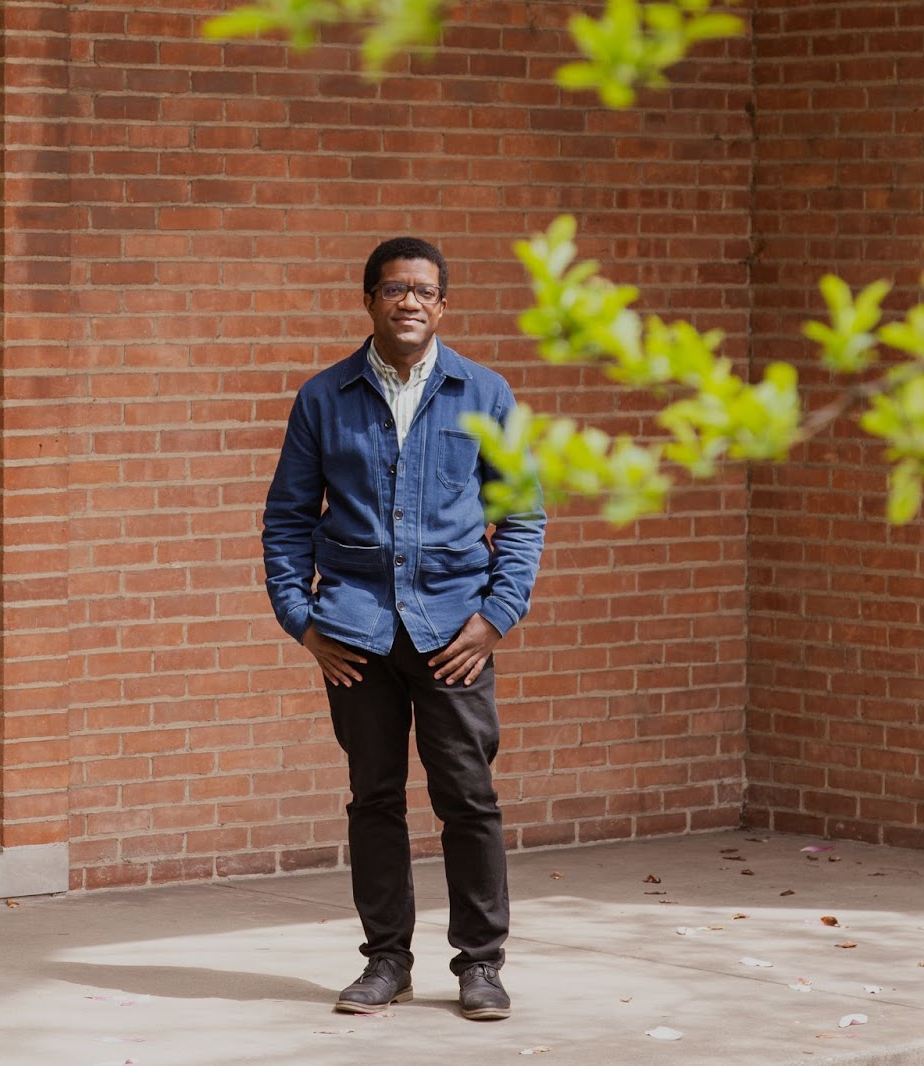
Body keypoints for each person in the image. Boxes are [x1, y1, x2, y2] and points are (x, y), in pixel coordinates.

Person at [262, 237, 546, 1021]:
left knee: (469, 798)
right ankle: (386, 960)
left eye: (424, 291)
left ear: (443, 306)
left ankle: (481, 966)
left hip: (454, 635)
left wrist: (496, 618)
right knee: (374, 799)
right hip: (354, 637)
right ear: (369, 301)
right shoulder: (325, 398)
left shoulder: (484, 394)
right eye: (394, 289)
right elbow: (286, 521)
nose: (409, 302)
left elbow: (521, 518)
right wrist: (301, 621)